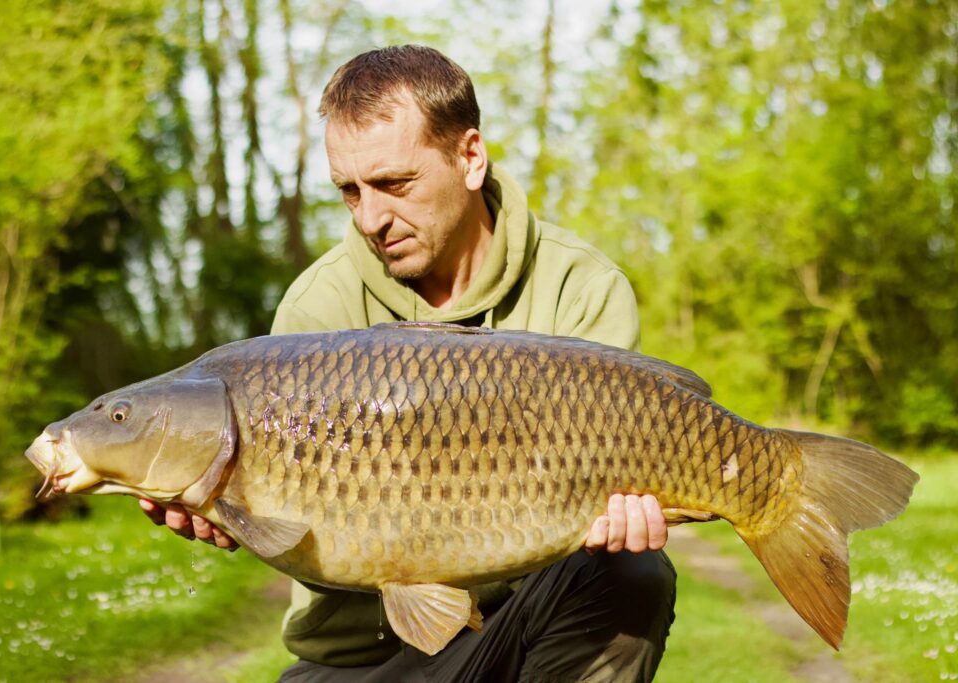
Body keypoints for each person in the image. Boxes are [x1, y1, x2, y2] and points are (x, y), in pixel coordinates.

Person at [141, 45, 675, 682]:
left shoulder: (579, 286)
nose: (370, 217)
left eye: (394, 184)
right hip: (358, 659)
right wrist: (222, 506)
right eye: (349, 191)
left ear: (469, 157)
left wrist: (624, 512)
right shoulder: (319, 306)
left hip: (519, 629)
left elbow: (624, 472)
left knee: (632, 574)